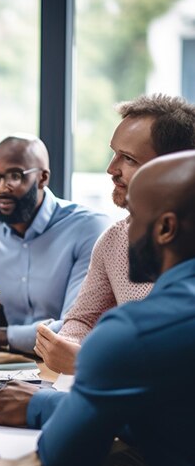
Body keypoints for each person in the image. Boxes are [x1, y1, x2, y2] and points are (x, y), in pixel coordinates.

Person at [0, 150, 195, 466]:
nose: (123, 231)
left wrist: (40, 405)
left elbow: (66, 463)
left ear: (165, 228)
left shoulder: (137, 330)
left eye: (133, 217)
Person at [35, 94, 195, 373]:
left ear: (173, 167)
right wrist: (66, 345)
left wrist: (88, 362)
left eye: (129, 159)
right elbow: (83, 318)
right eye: (114, 152)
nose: (111, 169)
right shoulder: (114, 239)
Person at [0, 134, 110, 354]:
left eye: (14, 176)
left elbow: (71, 330)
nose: (1, 187)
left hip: (62, 370)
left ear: (42, 178)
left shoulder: (89, 229)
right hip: (0, 363)